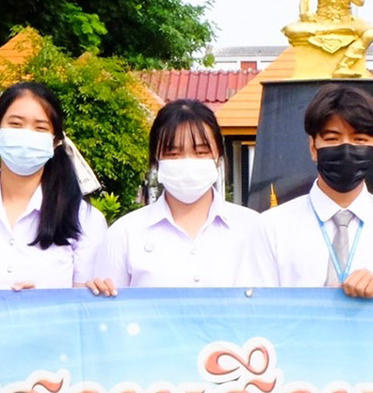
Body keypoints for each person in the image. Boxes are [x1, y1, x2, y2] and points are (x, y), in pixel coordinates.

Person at [241, 83, 373, 295]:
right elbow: (256, 310)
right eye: (332, 139)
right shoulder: (272, 227)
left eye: (359, 139)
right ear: (313, 147)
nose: (346, 149)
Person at [0, 81, 106, 292]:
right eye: (16, 124)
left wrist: (39, 303)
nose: (27, 135)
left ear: (55, 142)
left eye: (40, 128)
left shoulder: (85, 219)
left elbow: (84, 305)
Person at [86, 99, 258, 293]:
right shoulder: (125, 234)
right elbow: (108, 313)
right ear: (156, 159)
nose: (187, 162)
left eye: (201, 152)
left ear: (218, 156)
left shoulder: (254, 228)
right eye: (174, 154)